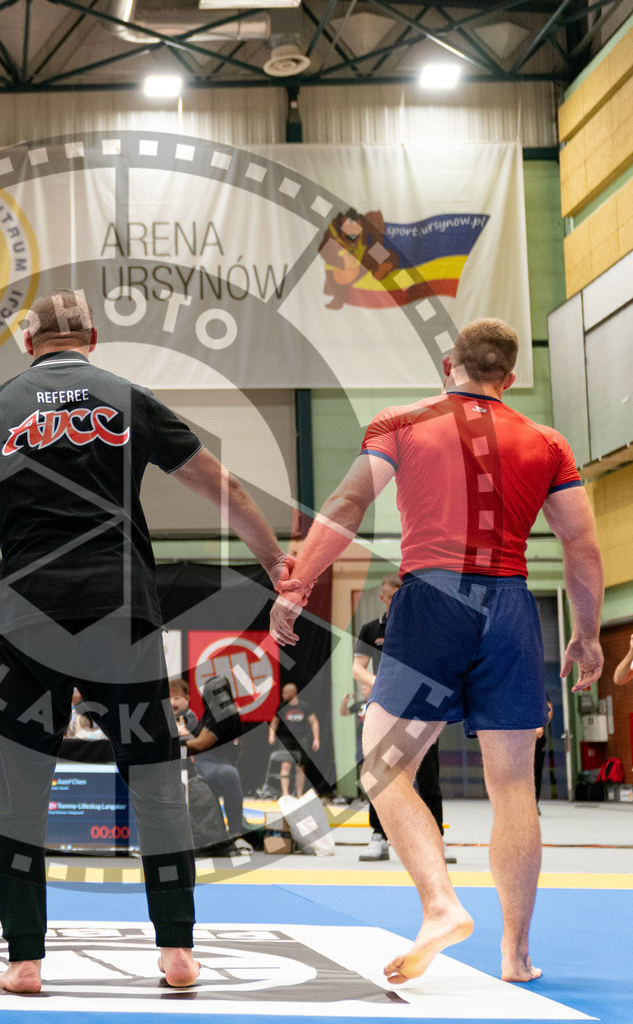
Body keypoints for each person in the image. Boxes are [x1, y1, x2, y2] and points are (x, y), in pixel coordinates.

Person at [0, 289, 288, 993]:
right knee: (156, 781)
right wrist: (277, 567)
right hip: (124, 614)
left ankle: (24, 960)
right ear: (92, 339)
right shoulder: (130, 399)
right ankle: (178, 951)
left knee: (24, 788)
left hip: (30, 619)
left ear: (27, 344)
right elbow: (226, 489)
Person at [270, 318, 604, 985]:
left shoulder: (402, 422)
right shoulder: (547, 442)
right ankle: (516, 955)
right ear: (510, 378)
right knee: (514, 786)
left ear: (449, 365)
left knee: (383, 765)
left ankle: (440, 904)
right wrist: (588, 633)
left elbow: (348, 501)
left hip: (433, 602)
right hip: (511, 607)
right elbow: (581, 544)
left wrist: (298, 583)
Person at [353, 575, 453, 864]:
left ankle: (436, 838)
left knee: (428, 775)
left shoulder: (425, 629)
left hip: (421, 712)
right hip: (386, 711)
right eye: (391, 598)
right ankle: (379, 836)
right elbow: (357, 668)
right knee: (379, 773)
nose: (397, 602)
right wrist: (380, 684)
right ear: (382, 598)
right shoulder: (372, 630)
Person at [181, 675, 248, 848]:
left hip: (216, 762)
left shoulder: (224, 712)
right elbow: (198, 739)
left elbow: (201, 744)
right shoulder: (210, 713)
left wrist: (175, 745)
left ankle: (235, 833)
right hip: (202, 762)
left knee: (229, 774)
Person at [268, 682, 320, 798]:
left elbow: (314, 722)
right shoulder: (282, 707)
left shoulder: (304, 707)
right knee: (285, 766)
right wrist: (271, 735)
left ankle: (299, 794)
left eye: (285, 693)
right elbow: (275, 721)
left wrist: (316, 739)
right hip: (286, 740)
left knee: (300, 768)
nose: (283, 695)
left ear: (292, 693)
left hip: (301, 740)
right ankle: (285, 794)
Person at [533, 698, 553, 809]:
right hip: (519, 737)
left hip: (537, 739)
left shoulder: (541, 691)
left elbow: (548, 709)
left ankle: (534, 803)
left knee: (536, 771)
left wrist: (541, 724)